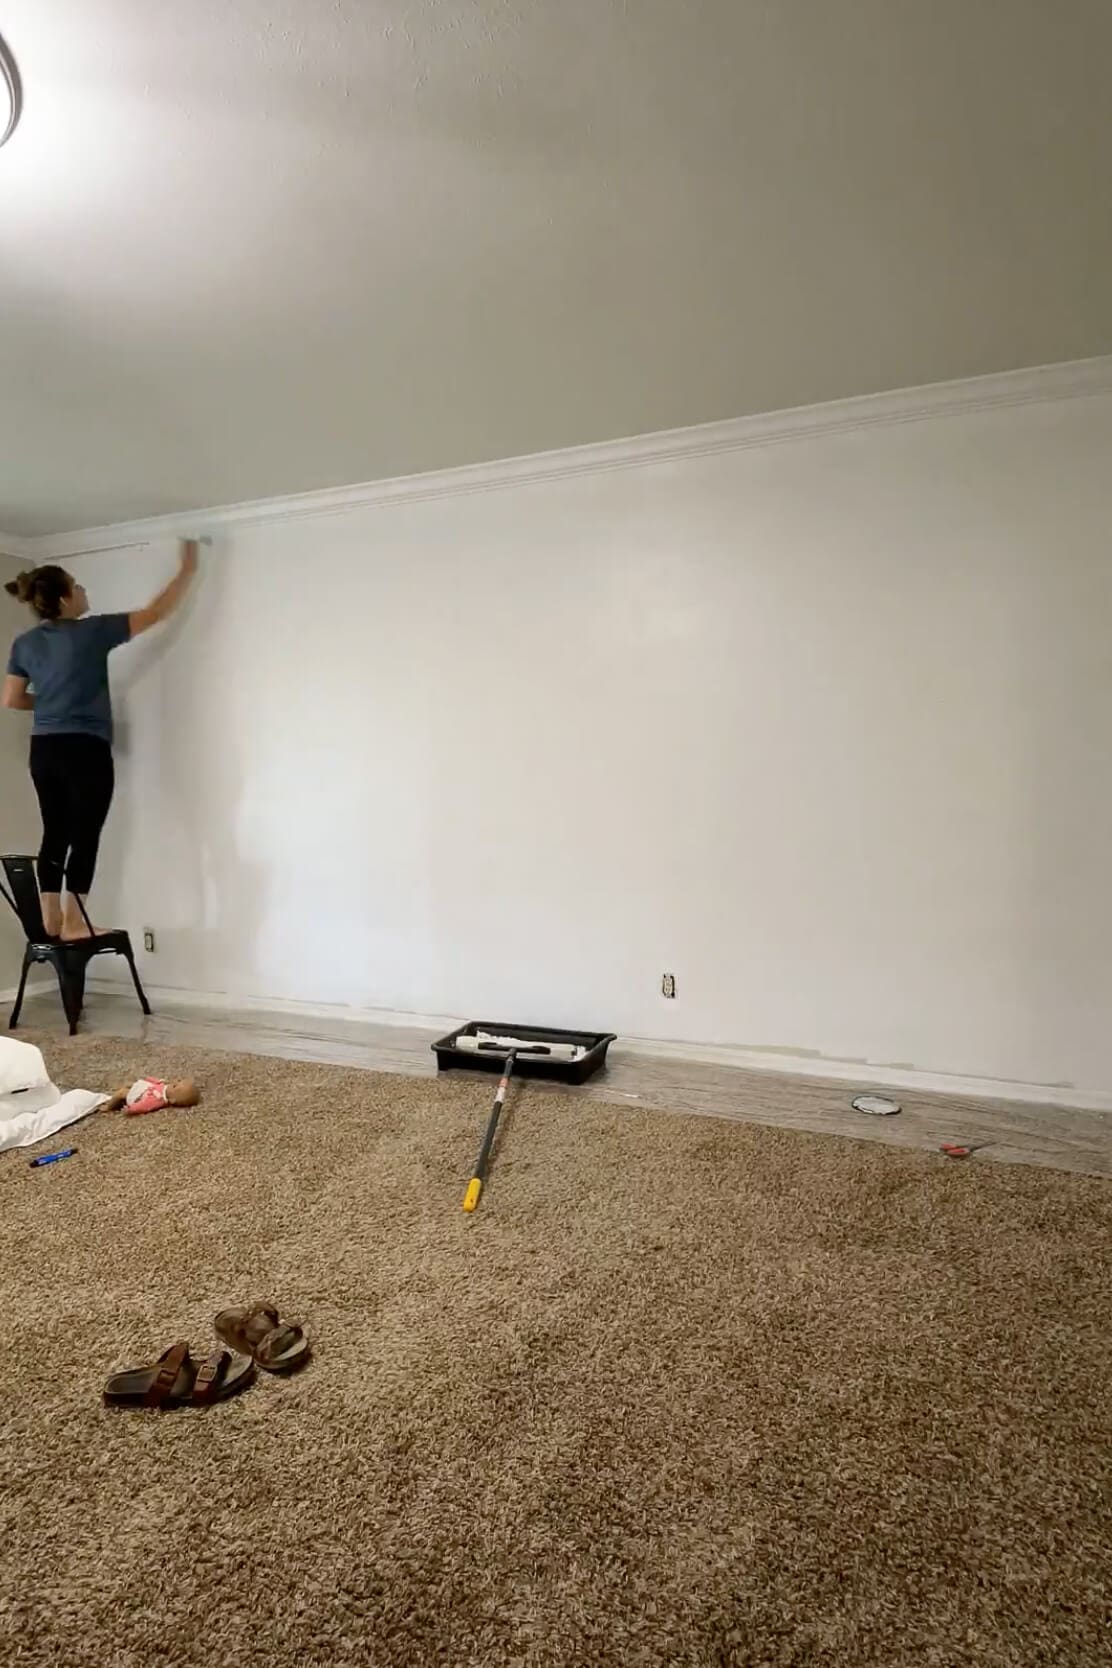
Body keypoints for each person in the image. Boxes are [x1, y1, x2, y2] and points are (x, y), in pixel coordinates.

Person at [2, 539, 198, 940]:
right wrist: (187, 570)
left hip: (45, 749)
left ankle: (51, 918)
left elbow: (12, 699)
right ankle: (75, 922)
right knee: (85, 833)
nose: (84, 592)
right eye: (78, 586)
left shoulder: (24, 644)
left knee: (54, 831)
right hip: (85, 748)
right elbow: (156, 613)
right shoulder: (93, 631)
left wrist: (53, 700)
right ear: (64, 598)